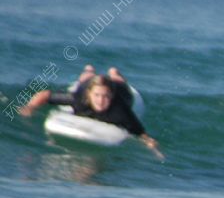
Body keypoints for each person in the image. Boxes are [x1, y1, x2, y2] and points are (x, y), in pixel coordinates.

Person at [19, 65, 163, 159]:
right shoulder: (79, 99)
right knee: (84, 81)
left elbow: (141, 133)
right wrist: (30, 106)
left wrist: (152, 146)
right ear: (89, 96)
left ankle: (114, 73)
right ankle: (89, 71)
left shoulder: (120, 111)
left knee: (118, 81)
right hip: (87, 87)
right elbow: (44, 95)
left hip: (121, 91)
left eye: (105, 96)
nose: (101, 100)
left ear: (111, 97)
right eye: (97, 96)